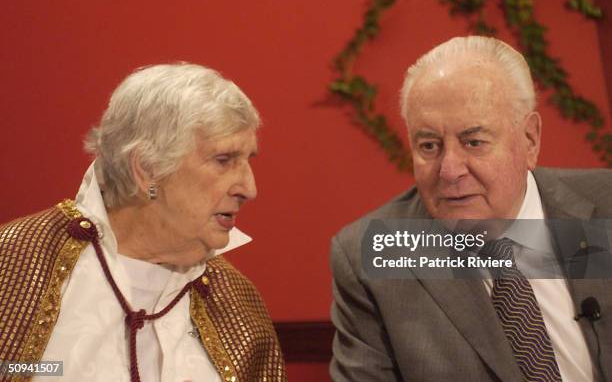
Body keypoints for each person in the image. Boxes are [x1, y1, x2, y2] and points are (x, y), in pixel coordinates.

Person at [330, 36, 612, 381]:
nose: (449, 170)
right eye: (429, 145)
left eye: (473, 142)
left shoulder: (605, 207)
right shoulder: (374, 253)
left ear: (530, 139)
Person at [0, 63, 287, 382]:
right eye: (223, 161)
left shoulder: (235, 301)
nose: (249, 188)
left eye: (248, 161)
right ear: (147, 170)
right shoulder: (14, 262)